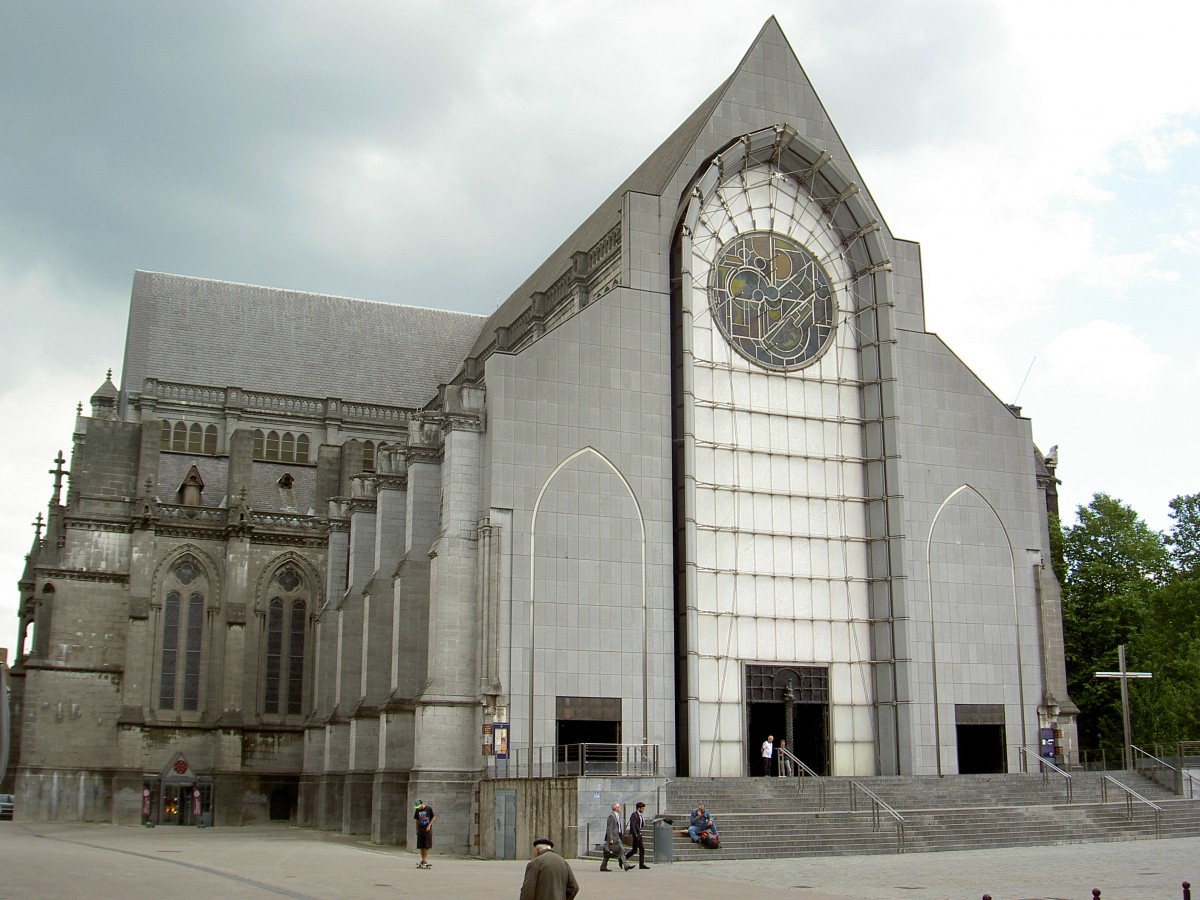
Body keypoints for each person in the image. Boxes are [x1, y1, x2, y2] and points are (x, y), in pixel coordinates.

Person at [600, 801, 631, 871]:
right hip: (613, 837)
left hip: (618, 836)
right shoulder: (612, 816)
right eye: (619, 807)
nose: (620, 808)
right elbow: (609, 828)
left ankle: (626, 865)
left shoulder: (617, 816)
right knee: (607, 853)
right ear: (615, 808)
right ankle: (603, 866)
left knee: (622, 850)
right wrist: (610, 838)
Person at [625, 800, 649, 868]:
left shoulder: (639, 815)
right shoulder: (634, 815)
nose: (643, 809)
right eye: (642, 808)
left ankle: (641, 864)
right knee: (638, 849)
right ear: (638, 808)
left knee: (637, 850)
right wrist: (635, 834)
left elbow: (640, 824)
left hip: (638, 834)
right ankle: (622, 859)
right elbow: (632, 825)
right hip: (636, 834)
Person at [413, 799, 435, 869]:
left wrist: (429, 825)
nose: (418, 808)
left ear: (422, 805)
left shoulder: (428, 809)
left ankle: (425, 859)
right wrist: (417, 829)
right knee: (421, 846)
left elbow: (433, 817)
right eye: (417, 807)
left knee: (426, 846)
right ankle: (422, 859)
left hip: (427, 830)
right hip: (420, 830)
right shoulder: (417, 810)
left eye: (419, 807)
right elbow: (417, 820)